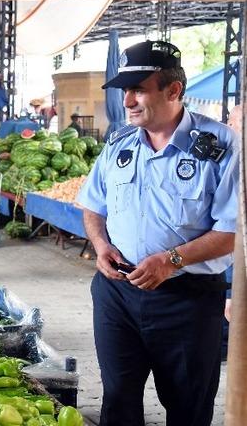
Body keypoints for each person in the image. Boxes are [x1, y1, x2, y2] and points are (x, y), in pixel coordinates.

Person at [76, 40, 238, 426]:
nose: (127, 100)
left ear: (174, 90)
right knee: (117, 400)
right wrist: (100, 245)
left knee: (187, 407)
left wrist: (171, 261)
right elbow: (92, 206)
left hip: (187, 301)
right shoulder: (118, 143)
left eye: (138, 89)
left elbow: (234, 231)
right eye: (124, 91)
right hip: (117, 294)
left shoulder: (222, 147)